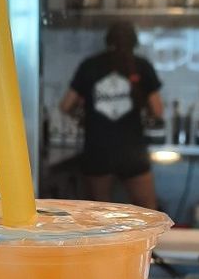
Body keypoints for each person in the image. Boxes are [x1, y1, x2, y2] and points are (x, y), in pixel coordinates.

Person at [60, 21, 163, 209]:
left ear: (107, 41)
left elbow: (66, 105)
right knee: (148, 211)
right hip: (132, 150)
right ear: (134, 42)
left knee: (99, 215)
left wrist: (83, 119)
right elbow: (157, 110)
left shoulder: (89, 66)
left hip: (98, 148)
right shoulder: (142, 66)